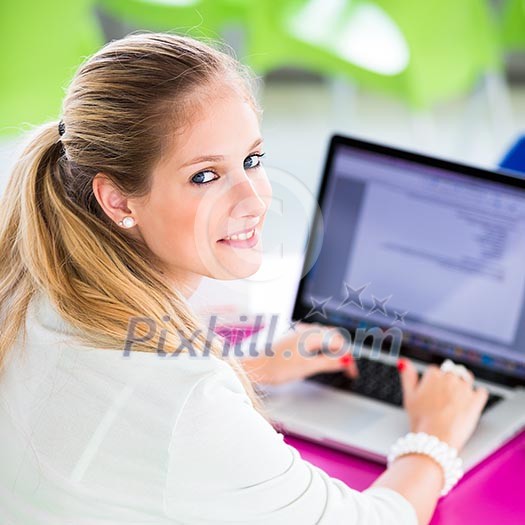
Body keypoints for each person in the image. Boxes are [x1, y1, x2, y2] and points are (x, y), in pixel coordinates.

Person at [0, 32, 488, 525]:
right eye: (205, 176)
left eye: (252, 160)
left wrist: (244, 365)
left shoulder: (30, 286)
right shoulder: (186, 399)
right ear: (119, 201)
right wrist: (433, 439)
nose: (255, 200)